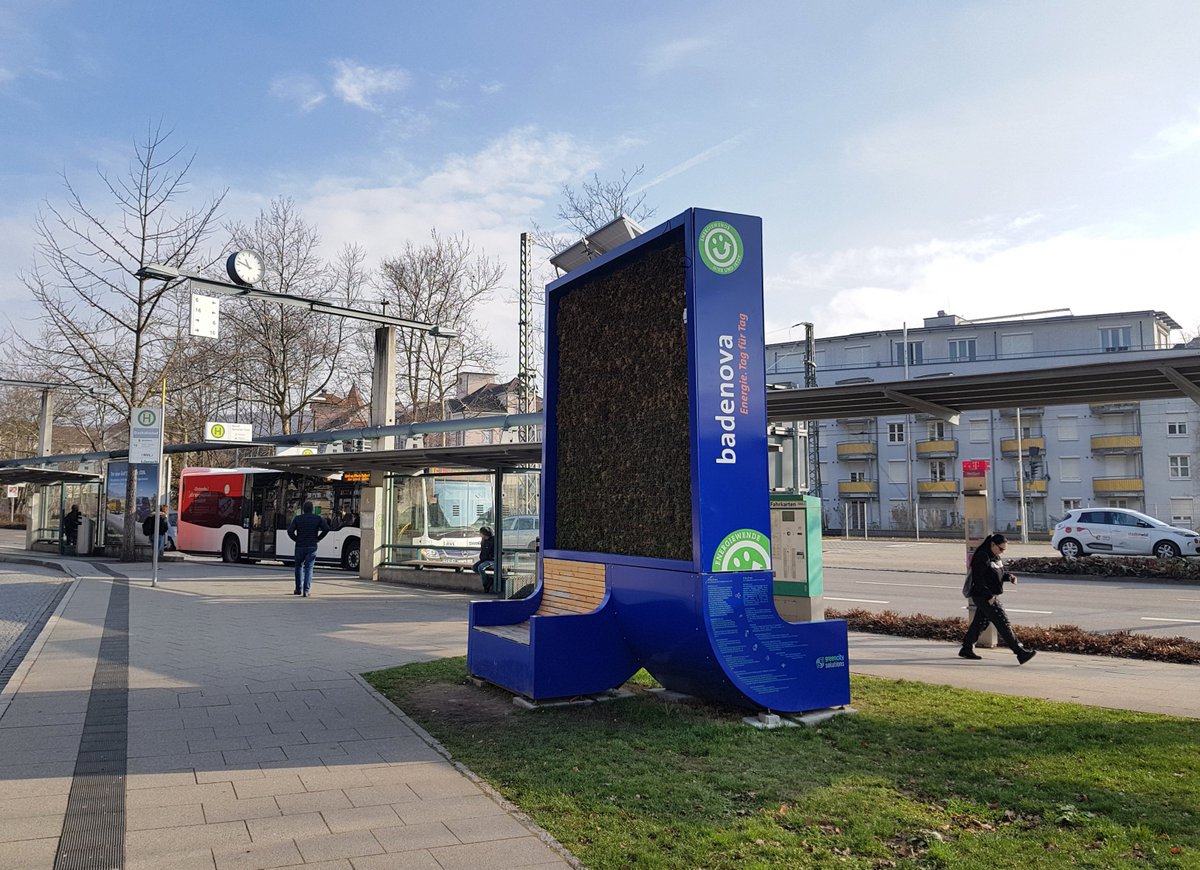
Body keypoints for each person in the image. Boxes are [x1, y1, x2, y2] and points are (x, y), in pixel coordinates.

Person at [960, 532, 1037, 664]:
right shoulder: (982, 556)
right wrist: (988, 596)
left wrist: (1009, 577)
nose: (1001, 552)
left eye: (1004, 550)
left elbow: (997, 574)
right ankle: (1020, 652)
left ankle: (966, 648)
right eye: (1000, 549)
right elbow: (979, 579)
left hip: (990, 595)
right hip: (984, 596)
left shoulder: (995, 556)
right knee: (1003, 622)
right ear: (992, 544)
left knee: (980, 623)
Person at [288, 501, 330, 597]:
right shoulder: (317, 518)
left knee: (298, 566)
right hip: (312, 546)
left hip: (299, 546)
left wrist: (296, 539)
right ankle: (306, 591)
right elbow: (326, 529)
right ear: (312, 509)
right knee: (309, 568)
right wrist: (318, 539)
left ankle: (298, 589)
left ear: (303, 509)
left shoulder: (298, 518)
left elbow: (290, 531)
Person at [473, 526, 496, 593]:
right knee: (474, 567)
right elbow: (483, 551)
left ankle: (486, 584)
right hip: (484, 559)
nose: (480, 535)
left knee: (480, 567)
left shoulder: (494, 540)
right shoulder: (483, 540)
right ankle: (488, 580)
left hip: (492, 560)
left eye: (481, 533)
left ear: (484, 533)